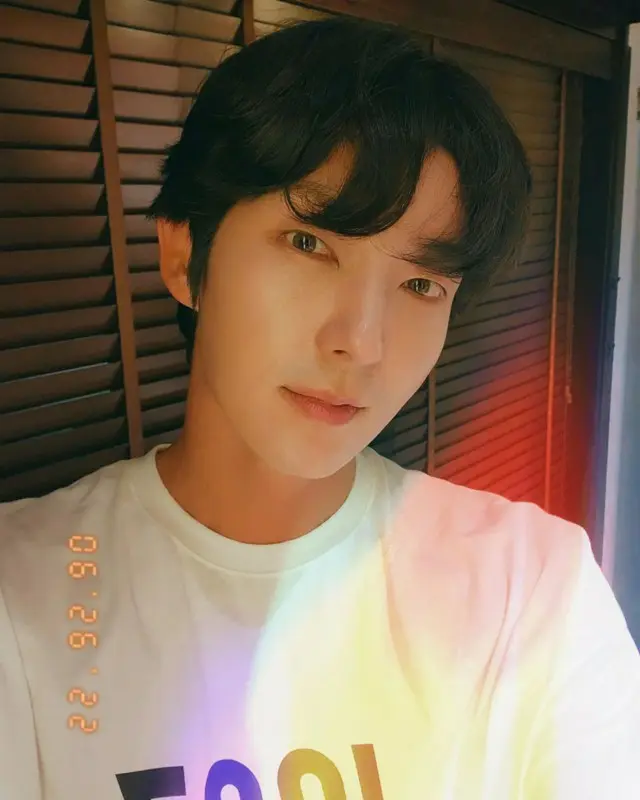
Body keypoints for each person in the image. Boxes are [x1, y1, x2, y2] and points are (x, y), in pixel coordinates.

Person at [0, 16, 638, 800]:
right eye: (309, 245)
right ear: (184, 254)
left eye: (420, 284)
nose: (361, 343)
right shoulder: (21, 596)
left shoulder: (532, 586)